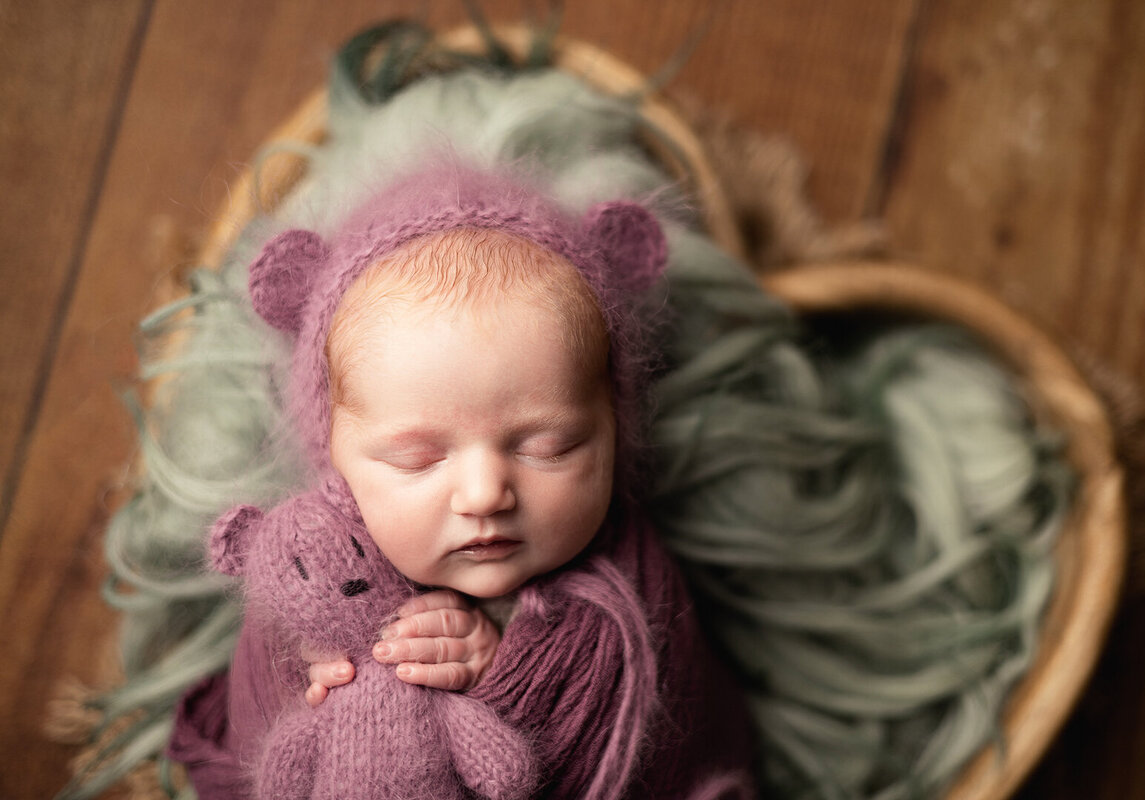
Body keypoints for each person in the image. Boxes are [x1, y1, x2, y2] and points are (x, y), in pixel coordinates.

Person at [168, 162, 755, 799]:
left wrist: (500, 669)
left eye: (548, 446)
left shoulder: (633, 596)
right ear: (333, 460)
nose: (484, 495)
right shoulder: (307, 571)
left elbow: (664, 741)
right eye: (418, 460)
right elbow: (264, 724)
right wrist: (323, 680)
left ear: (615, 429)